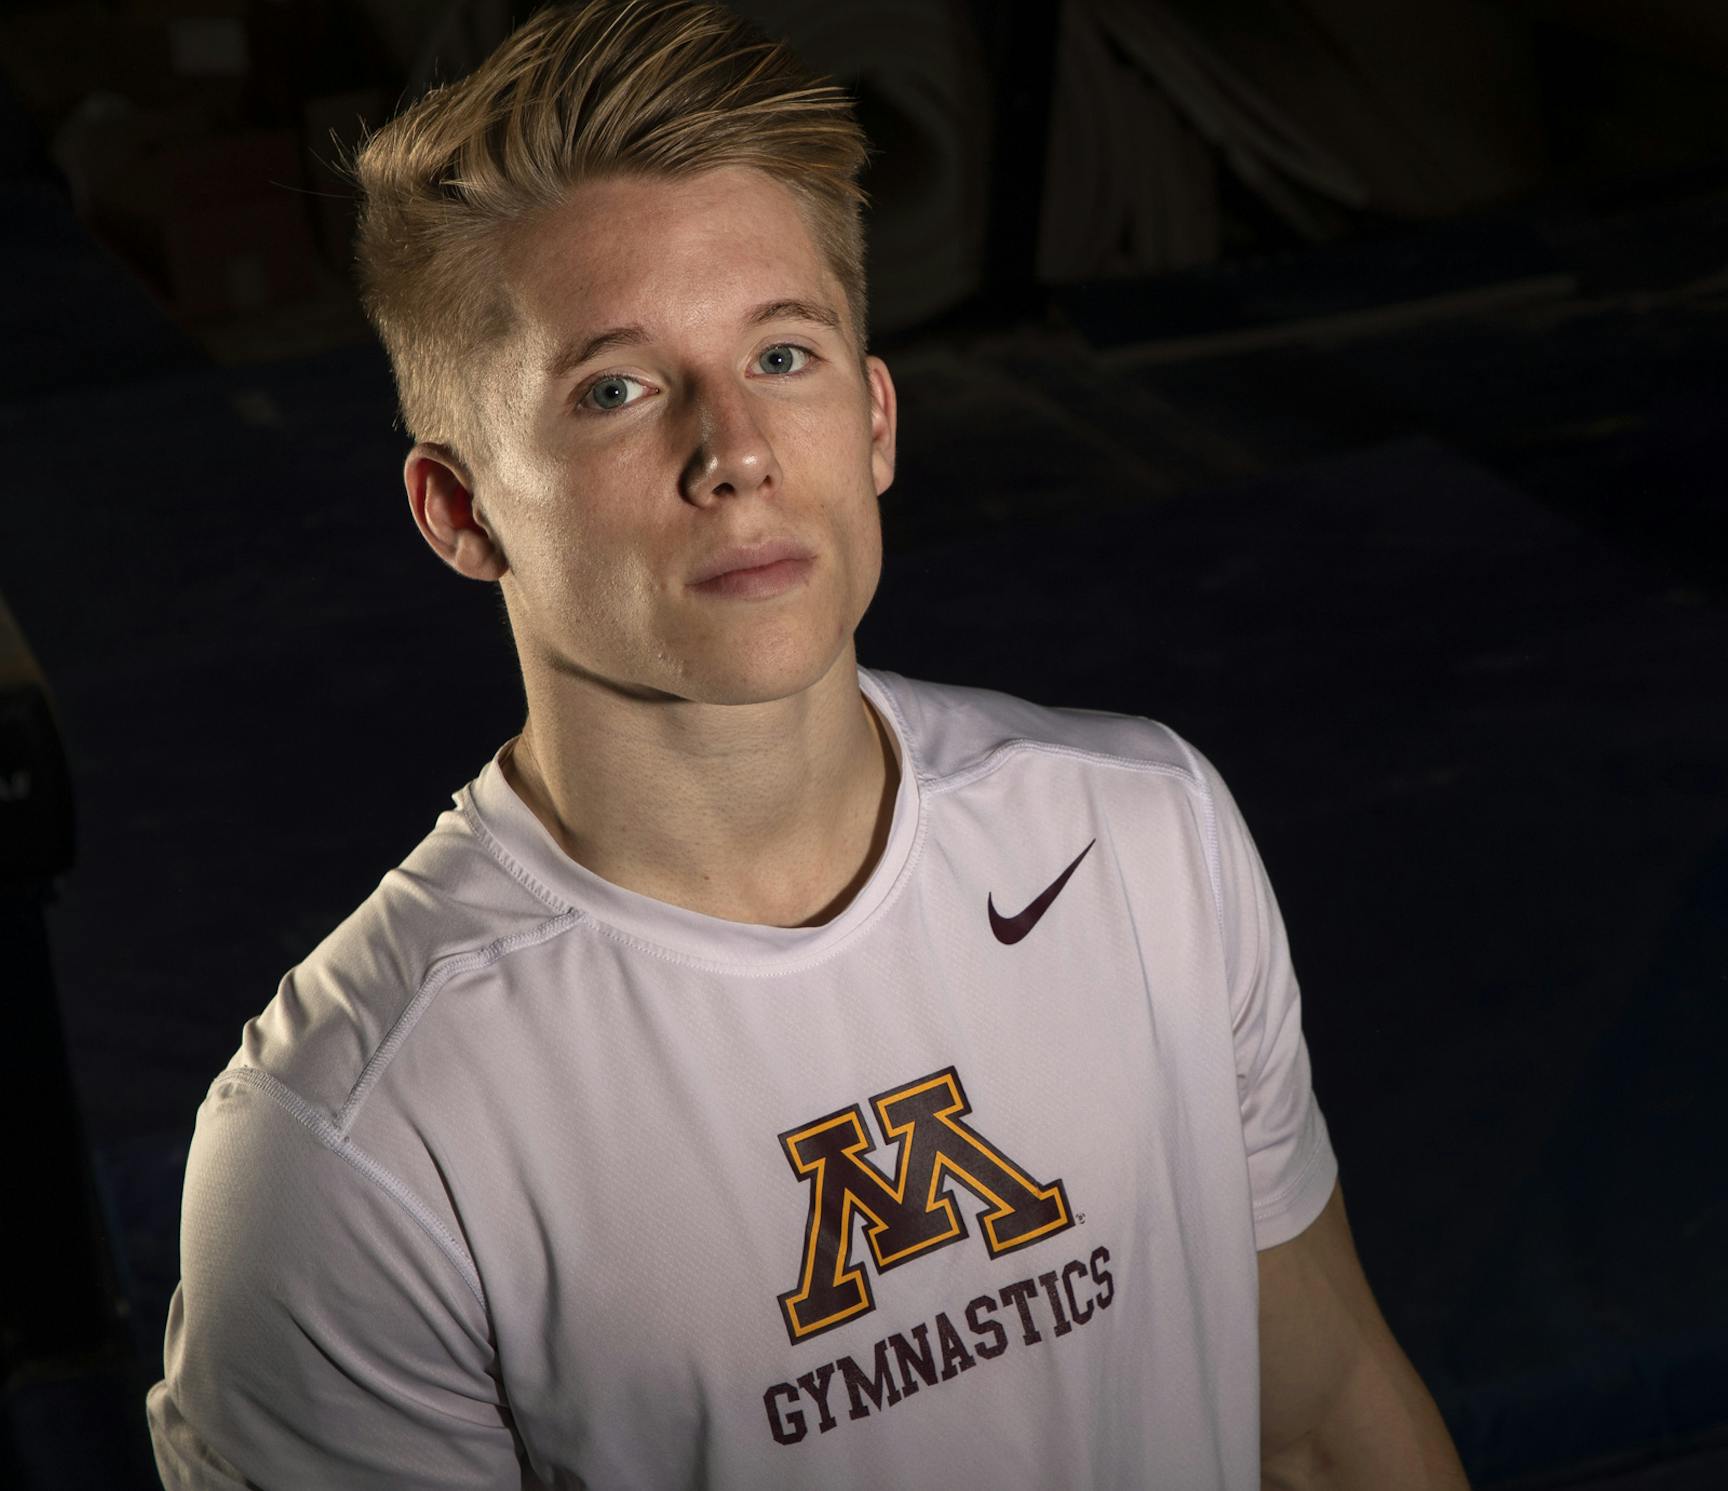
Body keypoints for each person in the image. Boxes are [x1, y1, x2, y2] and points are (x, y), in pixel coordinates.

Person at [144, 1, 1470, 1485]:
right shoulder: (357, 1148)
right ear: (460, 513)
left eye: (784, 355)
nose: (737, 453)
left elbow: (1321, 1419)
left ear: (878, 418)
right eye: (618, 390)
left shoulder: (1141, 835)